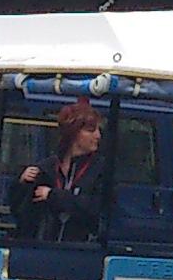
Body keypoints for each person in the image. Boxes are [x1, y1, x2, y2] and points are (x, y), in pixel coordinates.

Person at [15, 101, 111, 243]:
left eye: (98, 130)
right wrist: (21, 183)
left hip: (83, 249)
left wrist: (53, 195)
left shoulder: (101, 169)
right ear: (73, 133)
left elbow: (96, 208)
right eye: (91, 130)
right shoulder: (47, 167)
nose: (98, 135)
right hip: (44, 247)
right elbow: (21, 212)